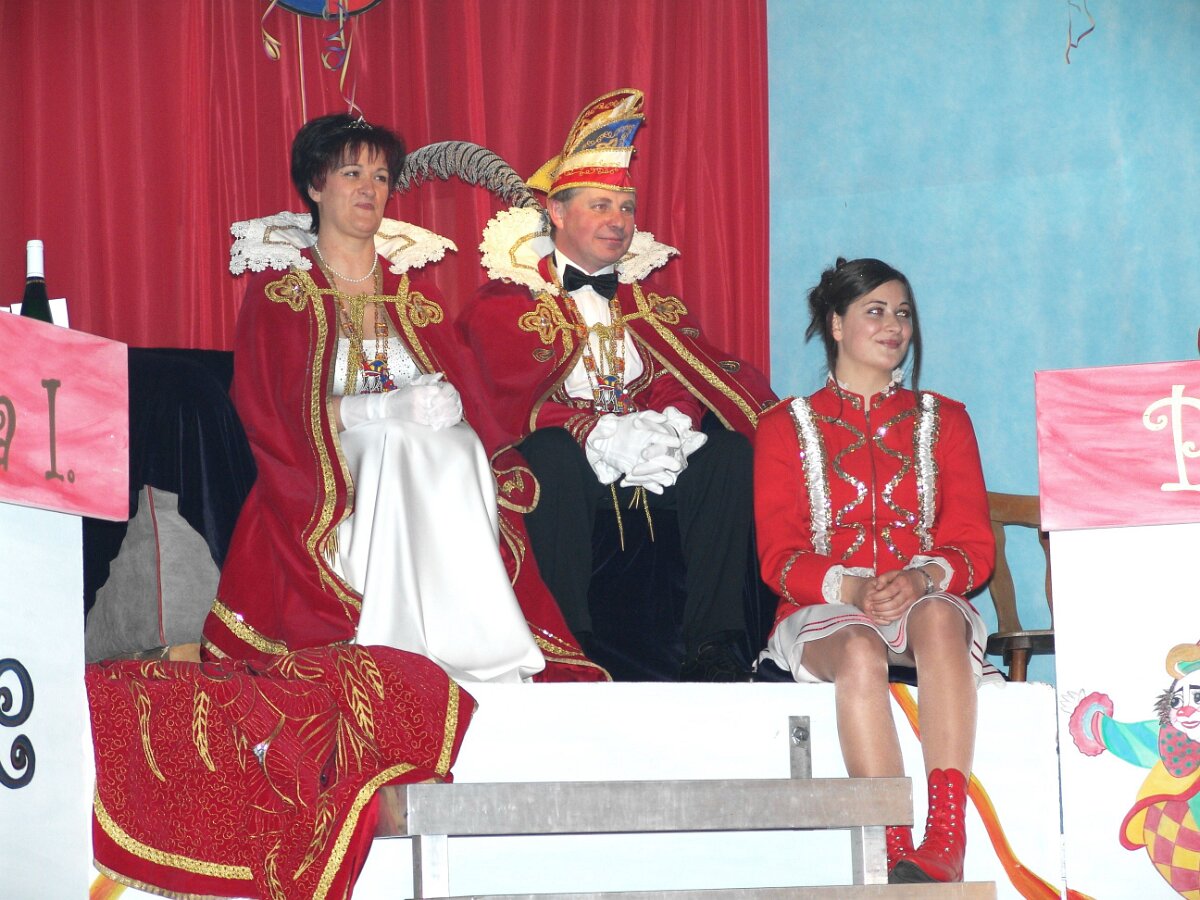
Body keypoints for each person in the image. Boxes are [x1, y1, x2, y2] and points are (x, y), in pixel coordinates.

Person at [202, 112, 603, 683]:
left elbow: (467, 390)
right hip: (331, 472)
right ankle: (392, 639)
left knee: (458, 443)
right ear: (315, 186)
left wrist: (450, 403)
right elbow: (271, 414)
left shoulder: (417, 295)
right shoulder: (282, 293)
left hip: (426, 461)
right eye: (351, 173)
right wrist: (377, 410)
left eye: (381, 177)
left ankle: (472, 642)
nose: (369, 189)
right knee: (397, 437)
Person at [460, 89, 776, 681]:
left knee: (728, 455)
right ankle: (567, 643)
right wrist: (593, 432)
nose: (618, 221)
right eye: (602, 205)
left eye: (627, 208)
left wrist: (672, 425)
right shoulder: (505, 302)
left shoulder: (649, 303)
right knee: (549, 457)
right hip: (572, 467)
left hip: (651, 465)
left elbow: (684, 374)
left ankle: (714, 644)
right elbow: (503, 396)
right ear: (557, 213)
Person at [754, 257, 1000, 883]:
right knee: (861, 649)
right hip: (826, 614)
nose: (894, 326)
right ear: (836, 325)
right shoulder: (782, 427)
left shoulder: (946, 419)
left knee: (939, 617)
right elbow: (779, 559)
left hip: (924, 611)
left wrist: (919, 579)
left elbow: (974, 547)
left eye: (904, 314)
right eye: (876, 311)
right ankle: (891, 844)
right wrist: (853, 587)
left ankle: (945, 836)